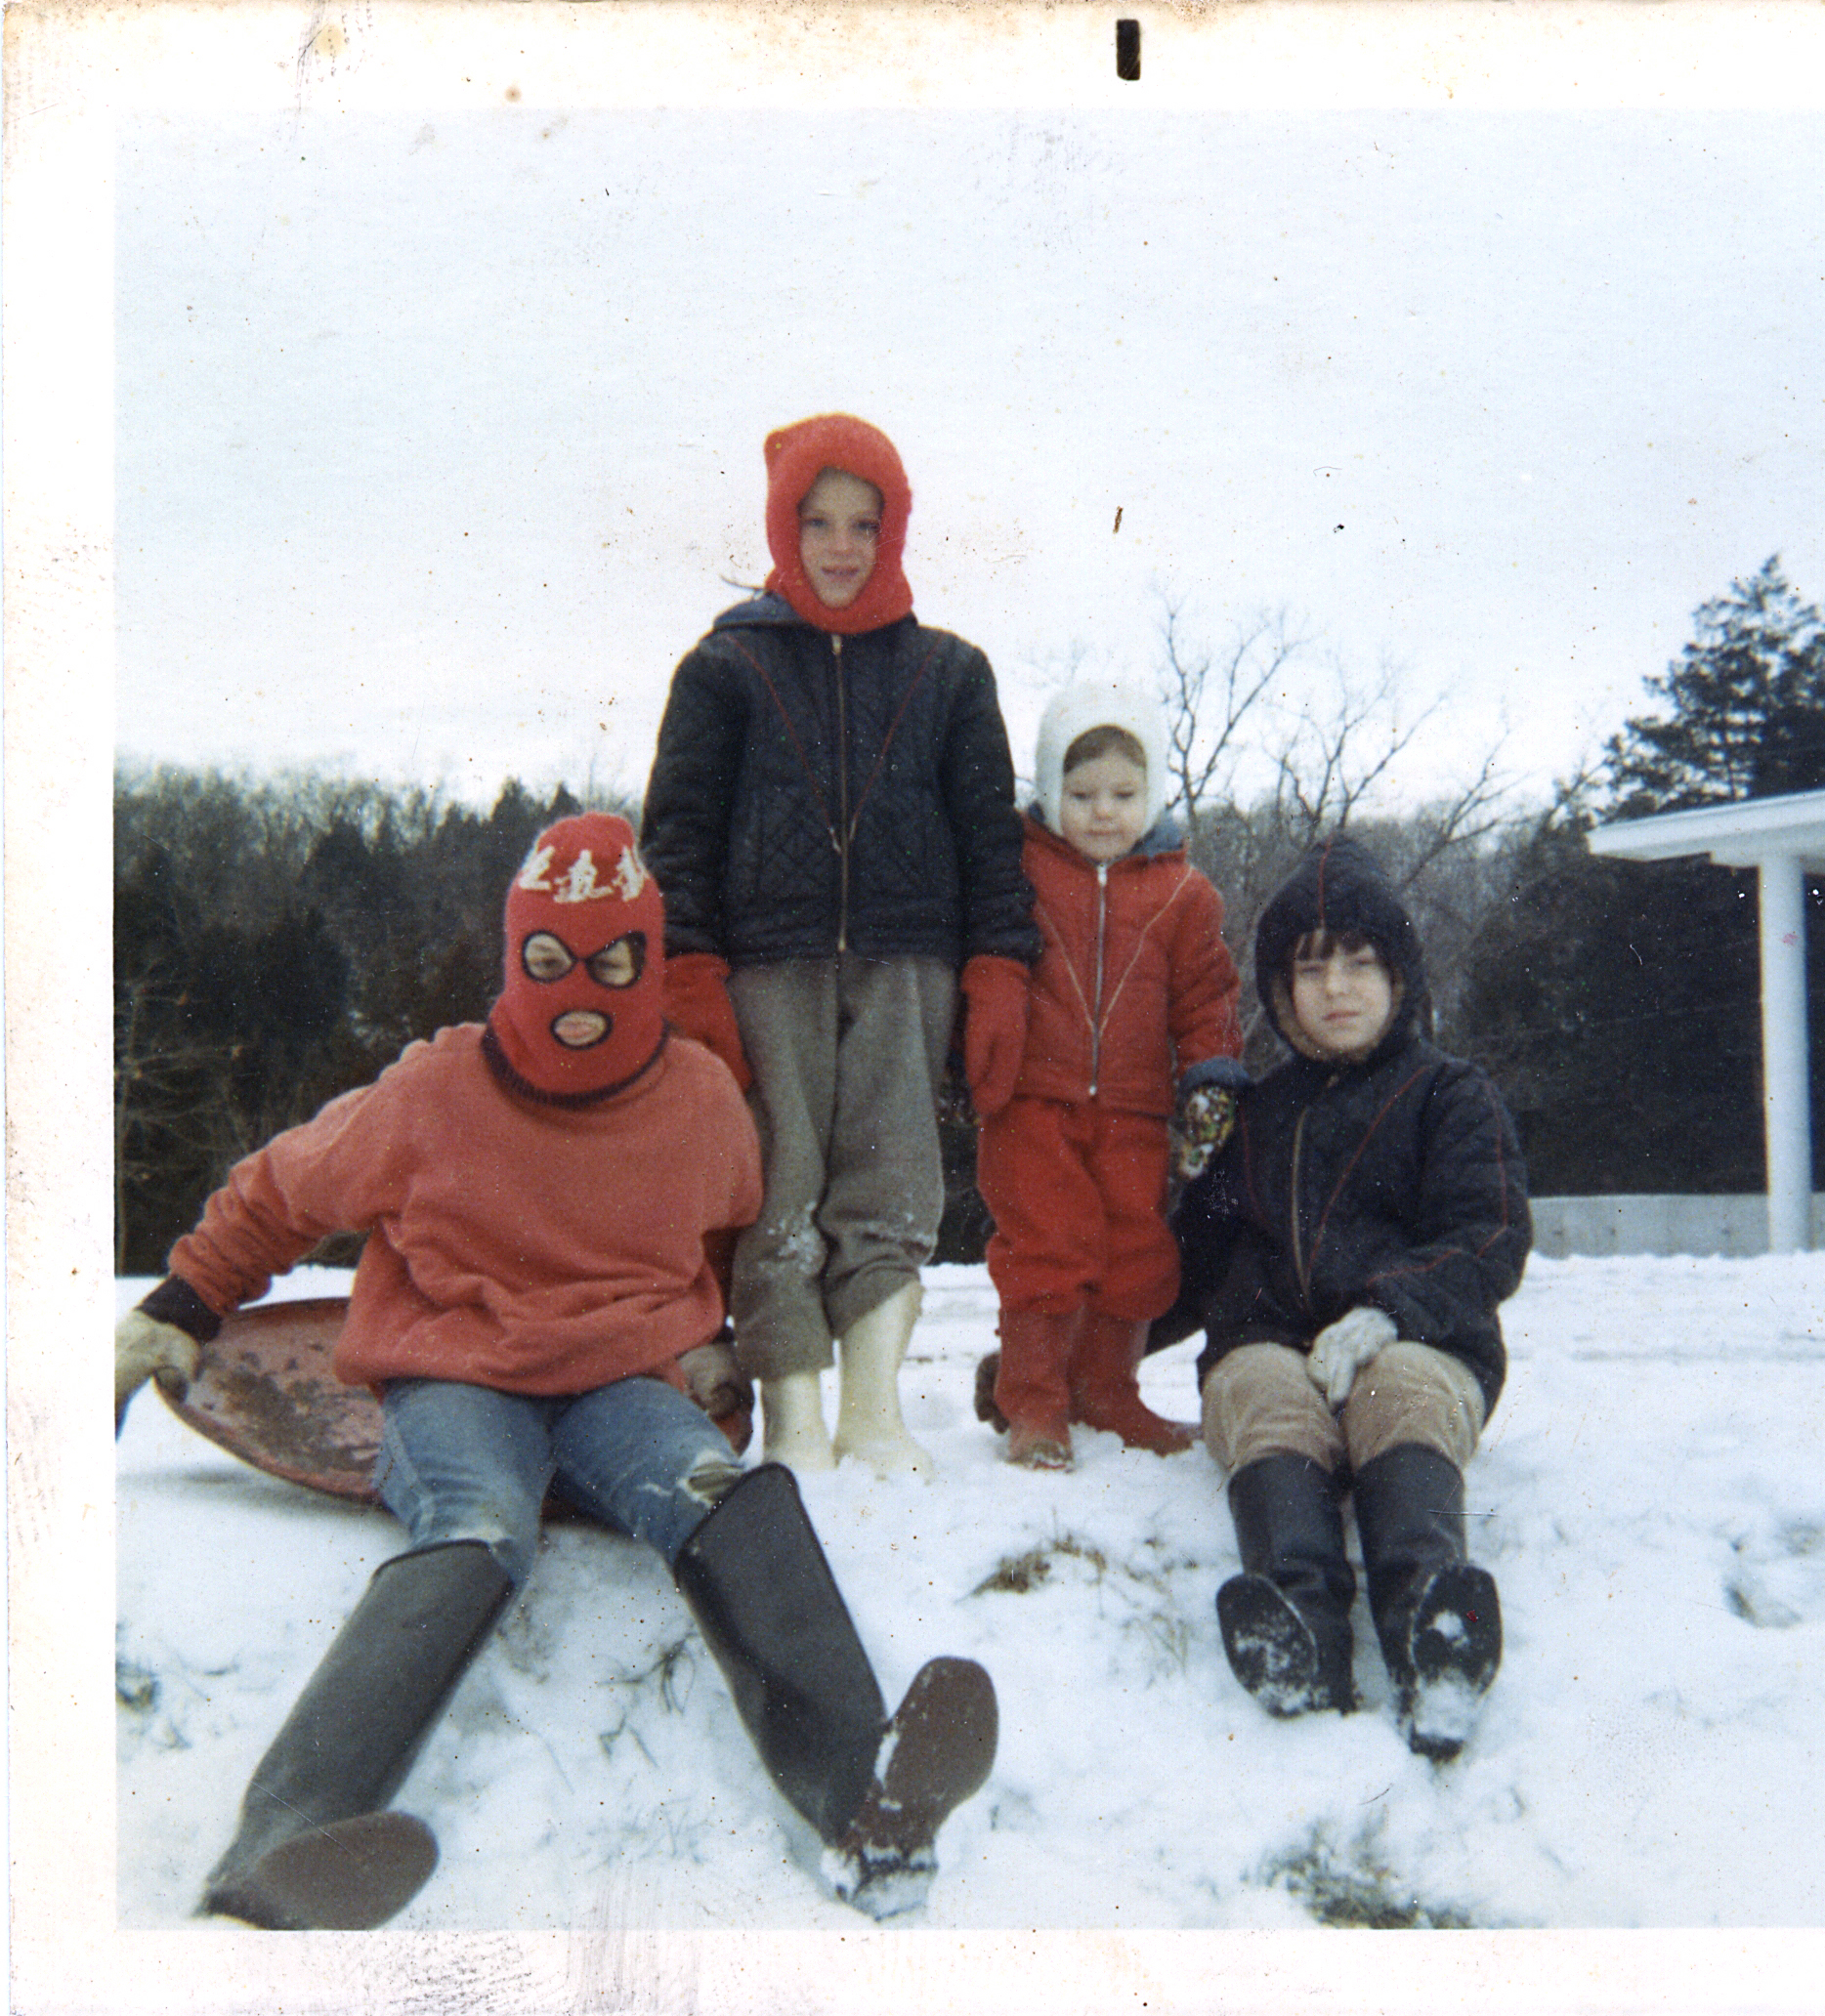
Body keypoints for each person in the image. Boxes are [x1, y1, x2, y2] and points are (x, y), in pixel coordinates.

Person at [111, 813, 998, 1929]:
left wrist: (717, 1340)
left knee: (716, 1497)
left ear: (649, 962)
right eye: (547, 962)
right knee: (480, 1520)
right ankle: (275, 1855)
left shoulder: (701, 1104)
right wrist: (179, 1307)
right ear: (512, 958)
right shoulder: (431, 1097)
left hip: (622, 1384)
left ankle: (864, 1803)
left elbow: (730, 1233)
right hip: (454, 1373)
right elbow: (281, 1193)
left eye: (613, 963)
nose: (579, 991)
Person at [641, 414, 1039, 1481]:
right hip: (768, 968)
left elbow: (993, 843)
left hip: (914, 965)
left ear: (894, 529)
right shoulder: (724, 669)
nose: (841, 544)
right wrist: (687, 971)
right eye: (817, 521)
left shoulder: (952, 675)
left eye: (865, 522)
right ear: (783, 526)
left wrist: (1002, 966)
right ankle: (795, 1419)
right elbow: (674, 840)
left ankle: (873, 1411)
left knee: (894, 1185)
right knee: (778, 1189)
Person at [1161, 834, 1530, 1760]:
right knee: (1252, 1385)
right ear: (1280, 991)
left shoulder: (1450, 1094)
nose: (1337, 988)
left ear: (1399, 976)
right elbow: (1185, 1270)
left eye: (1361, 964)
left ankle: (1430, 1631)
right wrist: (1072, 1354)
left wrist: (1387, 1311)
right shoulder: (1252, 1114)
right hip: (1278, 1349)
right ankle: (1296, 1622)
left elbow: (1489, 1233)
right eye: (1311, 967)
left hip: (1416, 1344)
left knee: (1395, 1383)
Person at [971, 679, 1246, 1469]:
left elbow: (1206, 996)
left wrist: (1211, 1075)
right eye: (1080, 792)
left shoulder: (1183, 894)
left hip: (1135, 1109)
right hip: (1031, 1103)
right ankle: (1035, 1404)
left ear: (1153, 791)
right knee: (1045, 1248)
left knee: (1134, 1249)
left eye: (1124, 794)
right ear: (1049, 789)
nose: (1101, 812)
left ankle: (1107, 1391)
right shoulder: (1020, 872)